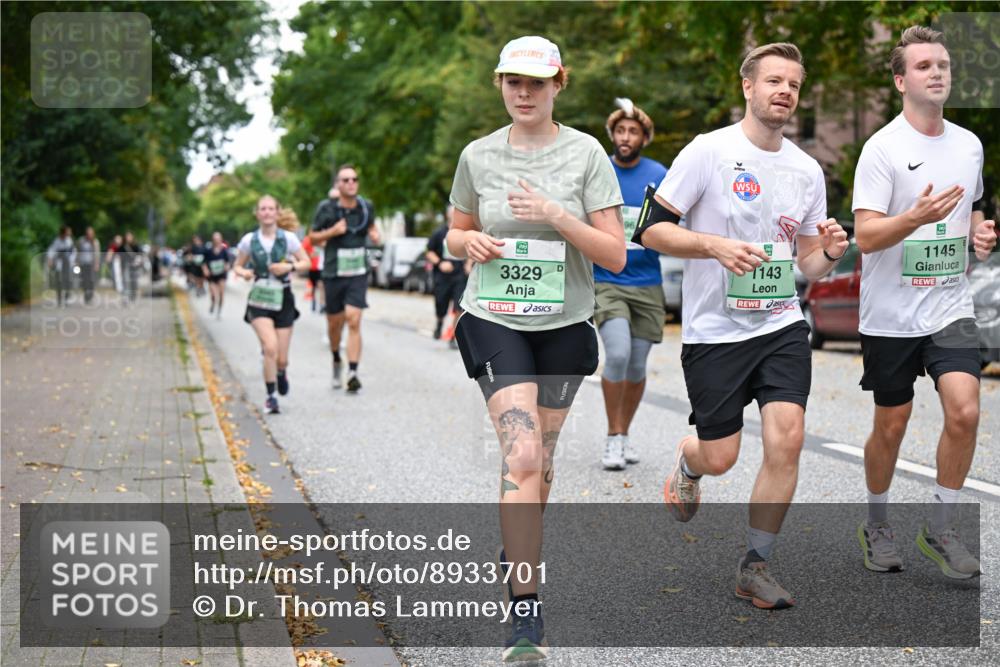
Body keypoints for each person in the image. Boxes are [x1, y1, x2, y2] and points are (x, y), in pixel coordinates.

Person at [633, 42, 849, 610]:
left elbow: (805, 263)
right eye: (774, 80)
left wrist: (828, 253)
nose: (784, 91)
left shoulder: (806, 169)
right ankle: (689, 458)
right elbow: (651, 231)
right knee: (721, 455)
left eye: (794, 84)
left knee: (788, 438)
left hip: (779, 325)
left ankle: (756, 565)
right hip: (715, 333)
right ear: (747, 87)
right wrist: (713, 246)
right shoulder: (708, 152)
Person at [447, 36, 625, 660]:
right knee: (521, 456)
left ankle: (516, 548)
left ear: (558, 85)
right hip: (493, 316)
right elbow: (454, 229)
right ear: (499, 84)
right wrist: (462, 245)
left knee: (540, 467)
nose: (524, 94)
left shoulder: (586, 154)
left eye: (536, 83)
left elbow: (614, 253)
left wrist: (555, 214)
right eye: (512, 82)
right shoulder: (477, 155)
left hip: (565, 323)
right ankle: (526, 614)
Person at [852, 26, 995, 579]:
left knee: (964, 410)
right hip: (890, 315)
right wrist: (915, 218)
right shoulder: (882, 148)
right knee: (892, 423)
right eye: (923, 65)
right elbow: (865, 236)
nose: (937, 72)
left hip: (949, 306)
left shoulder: (968, 144)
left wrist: (980, 235)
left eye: (943, 64)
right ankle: (878, 521)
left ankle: (941, 526)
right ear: (900, 80)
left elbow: (974, 211)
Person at [595, 98, 669, 470]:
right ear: (612, 134)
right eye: (620, 131)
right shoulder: (598, 171)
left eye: (633, 132)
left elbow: (675, 222)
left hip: (647, 281)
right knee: (618, 353)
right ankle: (611, 437)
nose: (626, 137)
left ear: (644, 137)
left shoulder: (659, 174)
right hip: (606, 279)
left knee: (637, 366)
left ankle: (624, 434)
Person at [232, 196, 310, 414]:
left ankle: (281, 372)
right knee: (270, 348)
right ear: (257, 213)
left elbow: (306, 262)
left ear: (277, 213)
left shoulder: (289, 239)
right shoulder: (249, 240)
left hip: (283, 297)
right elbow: (237, 265)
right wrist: (245, 272)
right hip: (260, 298)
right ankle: (271, 396)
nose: (266, 212)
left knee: (282, 358)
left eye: (270, 209)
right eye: (262, 209)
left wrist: (290, 267)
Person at [310, 165, 380, 392]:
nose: (351, 183)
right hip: (333, 273)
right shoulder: (326, 208)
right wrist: (332, 232)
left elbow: (372, 228)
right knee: (334, 324)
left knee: (354, 318)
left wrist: (375, 235)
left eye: (354, 179)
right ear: (338, 185)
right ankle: (336, 359)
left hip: (358, 272)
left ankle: (353, 371)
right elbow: (312, 237)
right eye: (346, 180)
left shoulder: (366, 207)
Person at [426, 206, 471, 344]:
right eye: (453, 213)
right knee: (441, 305)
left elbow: (471, 249)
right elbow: (429, 252)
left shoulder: (466, 233)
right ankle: (439, 323)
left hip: (460, 276)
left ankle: (453, 336)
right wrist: (440, 263)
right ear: (448, 215)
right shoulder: (439, 233)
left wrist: (469, 264)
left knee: (459, 307)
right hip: (443, 277)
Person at [202, 232, 231, 319]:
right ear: (213, 240)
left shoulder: (224, 250)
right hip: (212, 276)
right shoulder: (208, 251)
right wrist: (205, 270)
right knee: (214, 295)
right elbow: (203, 263)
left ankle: (219, 311)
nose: (217, 241)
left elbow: (228, 262)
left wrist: (227, 267)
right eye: (215, 239)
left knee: (221, 294)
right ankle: (213, 303)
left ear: (221, 240)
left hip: (221, 275)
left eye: (218, 239)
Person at [46, 226, 75, 307]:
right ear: (64, 232)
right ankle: (59, 299)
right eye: (68, 231)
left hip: (67, 262)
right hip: (59, 262)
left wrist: (73, 261)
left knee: (68, 280)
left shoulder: (69, 241)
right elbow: (51, 250)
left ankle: (67, 298)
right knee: (59, 280)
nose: (69, 233)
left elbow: (73, 251)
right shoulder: (57, 241)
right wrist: (50, 259)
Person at [116, 231, 143, 303]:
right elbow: (118, 255)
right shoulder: (122, 246)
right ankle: (126, 297)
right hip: (125, 266)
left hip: (134, 266)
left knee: (134, 282)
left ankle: (133, 296)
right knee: (126, 281)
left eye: (129, 236)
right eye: (127, 236)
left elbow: (140, 254)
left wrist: (137, 261)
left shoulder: (135, 245)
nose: (128, 238)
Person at [76, 227, 100, 304]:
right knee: (84, 280)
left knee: (91, 280)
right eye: (88, 233)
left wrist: (96, 264)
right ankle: (86, 295)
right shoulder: (81, 241)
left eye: (91, 234)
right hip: (83, 263)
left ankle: (90, 295)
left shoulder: (95, 242)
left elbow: (97, 254)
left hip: (91, 264)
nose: (89, 235)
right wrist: (77, 262)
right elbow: (77, 252)